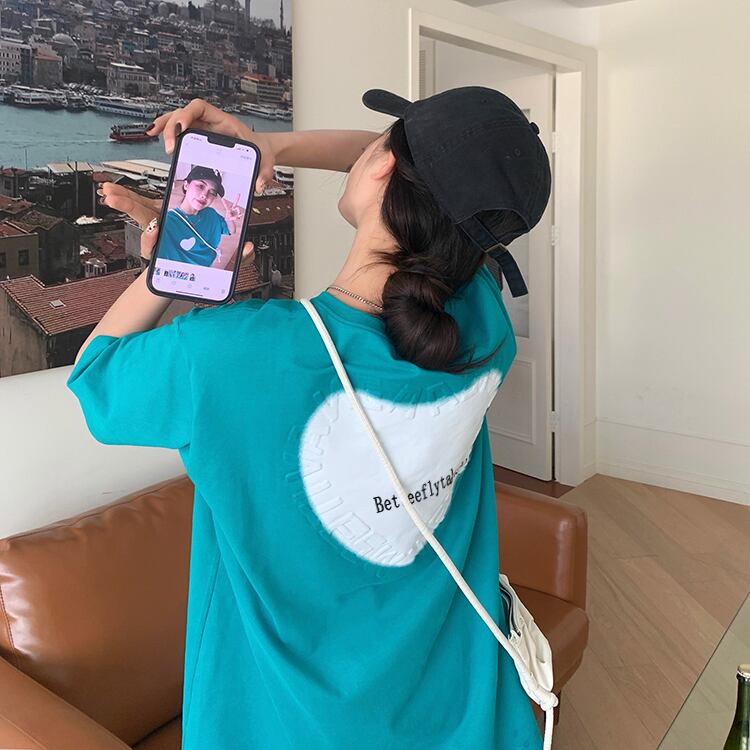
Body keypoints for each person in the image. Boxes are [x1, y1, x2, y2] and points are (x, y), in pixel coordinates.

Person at [69, 88, 551, 749]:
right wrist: (269, 146)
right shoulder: (483, 325)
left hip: (280, 726)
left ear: (384, 165)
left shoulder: (232, 354)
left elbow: (94, 378)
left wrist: (169, 269)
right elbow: (412, 183)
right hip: (458, 708)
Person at [158, 165, 243, 267]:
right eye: (201, 186)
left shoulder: (211, 214)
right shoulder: (167, 221)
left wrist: (229, 219)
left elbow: (231, 231)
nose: (204, 195)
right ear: (186, 185)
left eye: (212, 192)